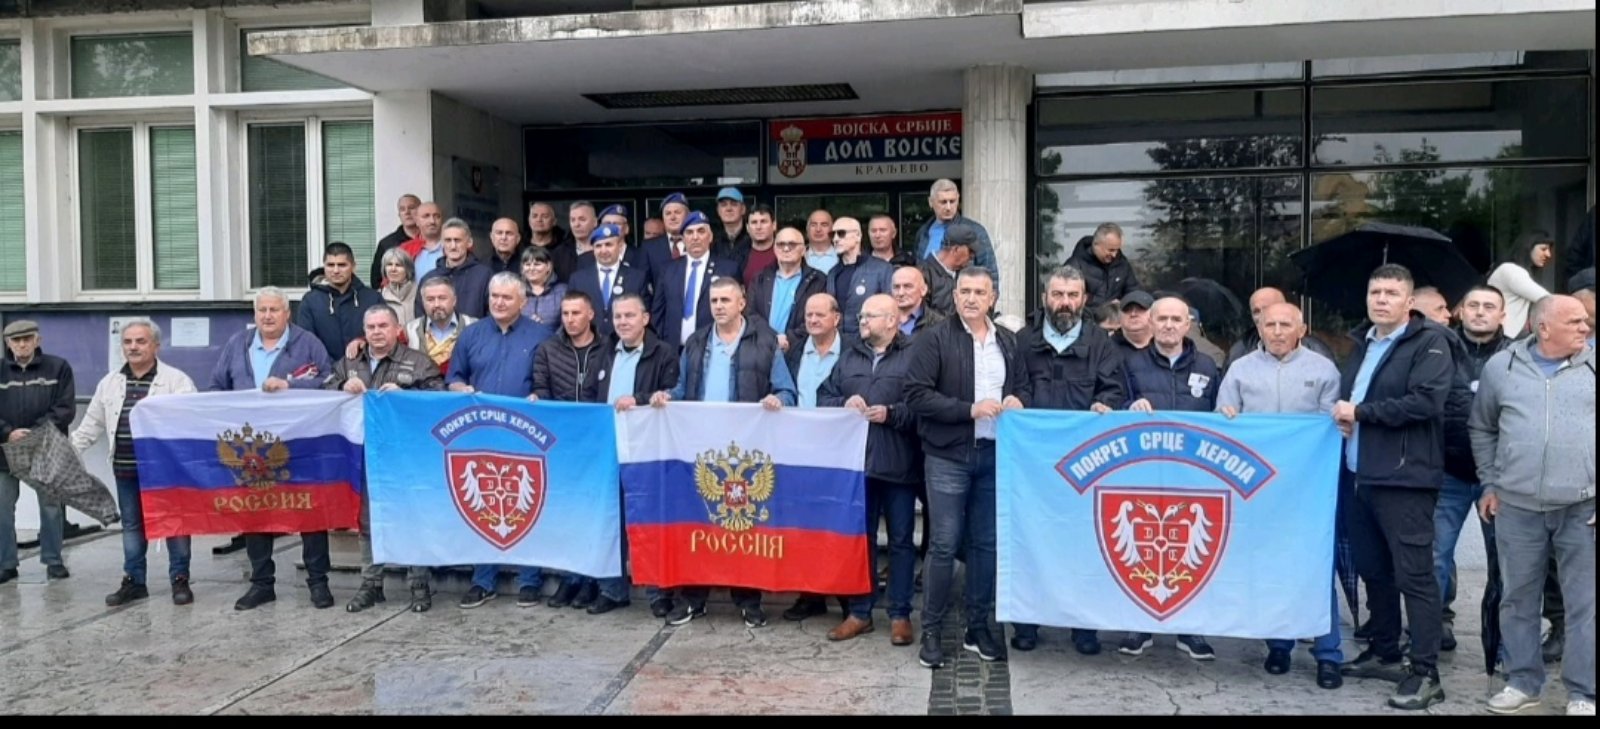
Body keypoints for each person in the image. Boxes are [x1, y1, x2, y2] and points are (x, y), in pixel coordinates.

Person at [1334, 263, 1453, 711]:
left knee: (1414, 576)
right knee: (1374, 569)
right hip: (1360, 474)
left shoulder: (1431, 342)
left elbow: (1426, 402)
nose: (1381, 299)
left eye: (1391, 293)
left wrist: (1361, 413)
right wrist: (1350, 420)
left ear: (1409, 301)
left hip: (1405, 478)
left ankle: (1425, 672)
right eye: (1375, 292)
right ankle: (1384, 650)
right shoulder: (1363, 343)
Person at [649, 278, 797, 627]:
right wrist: (667, 396)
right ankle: (693, 599)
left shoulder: (765, 342)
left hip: (746, 453)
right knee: (699, 523)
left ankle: (748, 600)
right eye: (714, 300)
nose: (718, 306)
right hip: (700, 449)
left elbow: (788, 392)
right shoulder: (696, 342)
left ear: (741, 303)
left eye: (725, 300)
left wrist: (777, 399)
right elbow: (682, 389)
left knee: (744, 527)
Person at [1473, 294, 1594, 717]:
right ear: (1543, 328)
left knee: (1586, 604)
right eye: (1575, 322)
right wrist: (1490, 482)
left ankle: (1584, 693)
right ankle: (1523, 683)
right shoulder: (1500, 368)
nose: (1586, 327)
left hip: (1583, 508)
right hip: (1517, 507)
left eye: (1585, 321)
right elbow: (1482, 427)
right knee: (1518, 599)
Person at [1216, 302, 1345, 689]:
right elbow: (1223, 420)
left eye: (1285, 324)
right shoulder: (1240, 369)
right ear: (1259, 328)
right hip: (1257, 488)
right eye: (1269, 324)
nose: (1276, 331)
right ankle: (1278, 646)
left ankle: (1328, 654)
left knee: (1316, 567)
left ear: (1301, 329)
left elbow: (1330, 428)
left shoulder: (1324, 370)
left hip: (1308, 486)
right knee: (1271, 567)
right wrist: (1228, 416)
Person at [904, 266, 1024, 669]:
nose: (971, 298)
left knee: (986, 544)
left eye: (979, 292)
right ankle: (932, 630)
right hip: (948, 455)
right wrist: (967, 410)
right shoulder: (934, 338)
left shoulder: (1007, 340)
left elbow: (1022, 385)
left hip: (994, 454)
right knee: (943, 543)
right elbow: (916, 394)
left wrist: (1018, 398)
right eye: (964, 291)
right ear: (954, 297)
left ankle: (978, 626)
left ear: (992, 298)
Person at [1009, 265, 1126, 656]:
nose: (1065, 302)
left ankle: (1083, 626)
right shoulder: (1023, 342)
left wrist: (1105, 403)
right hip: (1032, 465)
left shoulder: (1101, 344)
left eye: (1072, 295)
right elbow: (1013, 388)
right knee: (1030, 542)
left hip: (1085, 466)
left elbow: (1114, 390)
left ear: (1084, 299)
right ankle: (1027, 622)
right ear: (1045, 297)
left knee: (1084, 545)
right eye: (1058, 294)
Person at [211, 288, 336, 611]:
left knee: (309, 511)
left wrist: (290, 386)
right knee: (256, 512)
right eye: (262, 310)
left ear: (287, 313)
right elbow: (217, 387)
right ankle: (261, 583)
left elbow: (329, 380)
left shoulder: (308, 343)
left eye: (274, 310)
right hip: (251, 447)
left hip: (300, 443)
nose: (267, 316)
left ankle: (318, 582)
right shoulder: (237, 344)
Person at [1116, 296, 1221, 662]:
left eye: (1176, 319)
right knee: (1142, 551)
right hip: (1144, 474)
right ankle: (1139, 627)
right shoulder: (1129, 364)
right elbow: (1112, 404)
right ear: (1151, 322)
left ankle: (1190, 630)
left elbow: (1220, 413)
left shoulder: (1208, 365)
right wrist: (1127, 407)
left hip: (1193, 476)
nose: (1169, 325)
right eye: (1162, 319)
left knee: (1190, 551)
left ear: (1188, 324)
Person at [817, 294, 922, 646]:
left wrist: (892, 414)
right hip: (857, 466)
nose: (862, 321)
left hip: (900, 464)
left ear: (892, 320)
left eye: (870, 316)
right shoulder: (850, 356)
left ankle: (900, 614)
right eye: (861, 316)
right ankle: (860, 612)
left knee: (901, 542)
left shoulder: (915, 355)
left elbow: (924, 405)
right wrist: (843, 403)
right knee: (860, 541)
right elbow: (823, 396)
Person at [73, 321, 198, 606]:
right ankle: (134, 581)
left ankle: (180, 579)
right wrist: (70, 452)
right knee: (131, 526)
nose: (133, 347)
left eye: (141, 341)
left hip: (164, 471)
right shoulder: (110, 383)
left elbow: (191, 420)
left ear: (156, 346)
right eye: (128, 342)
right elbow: (91, 424)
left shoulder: (176, 381)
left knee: (174, 523)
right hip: (125, 468)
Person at [328, 306, 444, 614]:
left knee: (412, 516)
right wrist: (341, 386)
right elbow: (324, 392)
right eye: (371, 327)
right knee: (368, 520)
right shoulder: (350, 362)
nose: (377, 332)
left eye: (383, 326)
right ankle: (371, 584)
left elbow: (440, 399)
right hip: (365, 454)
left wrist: (407, 395)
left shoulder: (418, 362)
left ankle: (418, 585)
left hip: (406, 455)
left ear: (396, 330)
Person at [448, 273, 553, 609]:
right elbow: (454, 377)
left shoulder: (542, 335)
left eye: (507, 297)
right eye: (494, 296)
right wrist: (460, 389)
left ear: (523, 301)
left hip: (526, 434)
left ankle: (530, 580)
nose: (498, 302)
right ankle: (483, 580)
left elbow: (549, 381)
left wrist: (540, 395)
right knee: (483, 504)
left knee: (528, 503)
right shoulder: (472, 334)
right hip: (481, 435)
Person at [1435, 285, 1513, 652]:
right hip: (1446, 469)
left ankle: (1499, 637)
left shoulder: (1518, 355)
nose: (1480, 312)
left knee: (1503, 562)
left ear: (1502, 315)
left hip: (1499, 477)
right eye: (1473, 305)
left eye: (1489, 306)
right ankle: (1432, 628)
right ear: (1460, 311)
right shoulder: (1438, 350)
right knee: (1435, 556)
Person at [530, 292, 612, 610]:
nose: (570, 319)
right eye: (565, 313)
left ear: (590, 314)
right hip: (561, 442)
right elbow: (541, 387)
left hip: (599, 440)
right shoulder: (548, 349)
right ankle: (570, 578)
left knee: (596, 512)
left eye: (576, 313)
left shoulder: (608, 348)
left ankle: (592, 579)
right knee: (566, 513)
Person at [600, 294, 680, 617]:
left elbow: (672, 394)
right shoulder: (605, 350)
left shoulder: (664, 353)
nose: (622, 322)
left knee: (648, 521)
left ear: (645, 318)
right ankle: (612, 589)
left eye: (629, 316)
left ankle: (657, 592)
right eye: (618, 316)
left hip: (647, 449)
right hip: (608, 445)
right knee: (611, 519)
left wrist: (640, 399)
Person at [0, 321, 75, 584]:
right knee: (2, 509)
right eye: (16, 340)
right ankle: (6, 564)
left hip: (46, 451)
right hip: (4, 452)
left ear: (37, 340)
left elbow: (65, 409)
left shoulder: (58, 367)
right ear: (7, 343)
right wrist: (7, 432)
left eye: (27, 338)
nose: (22, 344)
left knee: (51, 507)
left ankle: (53, 561)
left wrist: (34, 433)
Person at [651, 211, 740, 346]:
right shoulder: (668, 270)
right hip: (673, 350)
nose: (695, 237)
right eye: (689, 232)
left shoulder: (728, 269)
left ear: (710, 237)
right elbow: (658, 313)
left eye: (701, 231)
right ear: (683, 239)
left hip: (713, 347)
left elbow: (736, 312)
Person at [912, 179, 999, 293]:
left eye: (952, 201)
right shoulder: (923, 232)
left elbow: (990, 272)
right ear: (931, 202)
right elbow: (916, 268)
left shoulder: (975, 231)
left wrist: (990, 300)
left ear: (958, 200)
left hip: (963, 297)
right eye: (943, 202)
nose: (948, 207)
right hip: (927, 297)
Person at [296, 242, 379, 362]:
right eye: (330, 265)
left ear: (353, 266)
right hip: (325, 370)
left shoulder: (373, 298)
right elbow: (307, 343)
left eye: (342, 265)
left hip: (366, 368)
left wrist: (363, 341)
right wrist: (334, 369)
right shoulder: (310, 301)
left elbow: (385, 334)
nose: (335, 270)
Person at [750, 226, 826, 352]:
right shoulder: (760, 279)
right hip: (763, 349)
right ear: (774, 249)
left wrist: (789, 339)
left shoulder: (818, 280)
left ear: (803, 250)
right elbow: (750, 314)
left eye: (792, 244)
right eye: (781, 244)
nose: (786, 249)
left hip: (800, 351)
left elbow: (821, 317)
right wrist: (772, 338)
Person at [568, 224, 648, 338]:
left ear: (620, 246)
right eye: (598, 246)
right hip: (589, 342)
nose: (603, 250)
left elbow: (644, 313)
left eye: (608, 244)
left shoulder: (637, 278)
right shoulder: (578, 279)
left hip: (624, 342)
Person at [1225, 287, 1334, 368]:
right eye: (1256, 311)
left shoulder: (1316, 351)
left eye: (1268, 309)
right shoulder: (1239, 352)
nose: (1262, 316)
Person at [827, 216, 894, 337]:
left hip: (870, 339)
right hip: (838, 339)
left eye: (841, 233)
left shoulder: (882, 269)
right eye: (832, 235)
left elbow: (891, 308)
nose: (835, 239)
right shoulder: (832, 273)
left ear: (857, 236)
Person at [417, 218, 492, 320]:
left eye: (457, 240)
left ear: (469, 242)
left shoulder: (484, 276)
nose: (453, 246)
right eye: (448, 240)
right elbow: (421, 317)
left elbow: (492, 314)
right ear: (442, 244)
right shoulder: (429, 278)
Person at [1487, 230, 1556, 336]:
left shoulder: (1511, 269)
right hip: (1506, 336)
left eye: (1549, 249)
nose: (1548, 254)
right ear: (1528, 247)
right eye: (1543, 249)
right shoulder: (1511, 270)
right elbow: (1547, 299)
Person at [405, 277, 477, 376]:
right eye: (430, 299)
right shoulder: (410, 330)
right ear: (423, 303)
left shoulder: (473, 327)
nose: (436, 304)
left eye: (442, 298)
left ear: (454, 300)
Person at [1065, 224, 1141, 308]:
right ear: (1096, 245)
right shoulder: (1074, 266)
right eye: (1111, 250)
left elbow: (1133, 292)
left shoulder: (1122, 264)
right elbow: (1070, 297)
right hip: (1087, 315)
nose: (1114, 255)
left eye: (1117, 250)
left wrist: (1123, 303)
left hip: (1116, 315)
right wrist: (1105, 305)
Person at [372, 193, 421, 286]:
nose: (407, 212)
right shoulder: (387, 244)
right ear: (399, 214)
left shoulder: (430, 240)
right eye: (402, 209)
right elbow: (376, 280)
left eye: (411, 208)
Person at [519, 245, 566, 342]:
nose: (531, 268)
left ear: (548, 266)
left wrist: (547, 336)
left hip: (555, 345)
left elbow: (566, 323)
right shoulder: (516, 291)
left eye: (537, 264)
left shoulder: (562, 291)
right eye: (527, 264)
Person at [892, 265, 944, 337]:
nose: (901, 293)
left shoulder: (939, 324)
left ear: (923, 290)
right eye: (896, 287)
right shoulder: (880, 319)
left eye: (907, 286)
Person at [378, 246, 418, 329]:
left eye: (398, 265)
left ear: (408, 269)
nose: (393, 269)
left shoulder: (420, 293)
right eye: (389, 264)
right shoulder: (379, 296)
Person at [803, 209, 838, 274]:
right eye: (813, 225)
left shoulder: (842, 256)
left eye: (824, 225)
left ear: (832, 229)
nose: (818, 229)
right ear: (807, 229)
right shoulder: (797, 255)